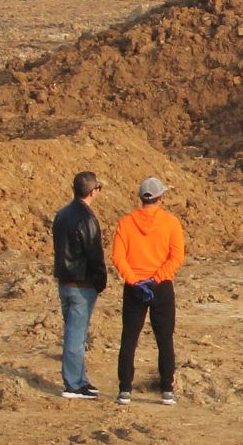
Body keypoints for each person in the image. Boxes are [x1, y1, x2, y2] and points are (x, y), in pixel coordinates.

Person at [111, 175, 188, 407]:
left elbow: (117, 257)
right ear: (161, 197)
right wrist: (156, 279)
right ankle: (167, 390)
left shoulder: (125, 223)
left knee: (129, 339)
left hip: (134, 288)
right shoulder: (171, 222)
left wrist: (135, 281)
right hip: (161, 288)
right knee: (165, 340)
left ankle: (124, 390)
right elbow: (177, 256)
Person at [50, 172, 108, 400]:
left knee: (77, 333)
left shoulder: (62, 214)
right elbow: (95, 254)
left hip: (64, 281)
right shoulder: (87, 219)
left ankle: (80, 380)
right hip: (81, 284)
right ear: (93, 191)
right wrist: (100, 280)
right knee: (75, 335)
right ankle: (73, 385)